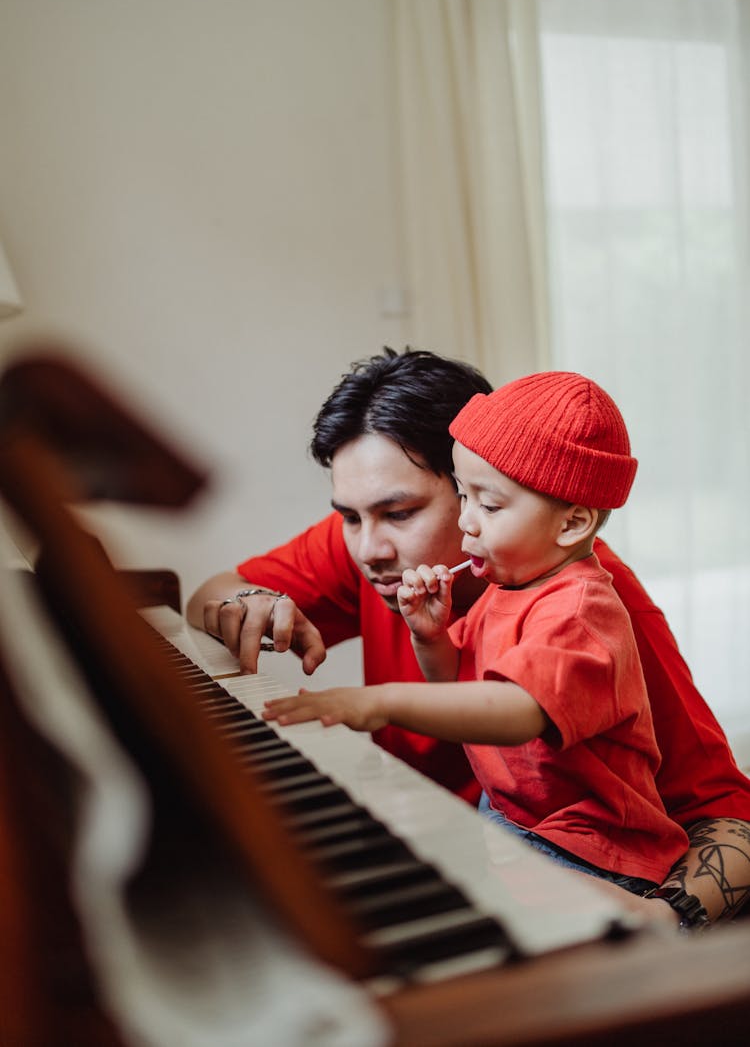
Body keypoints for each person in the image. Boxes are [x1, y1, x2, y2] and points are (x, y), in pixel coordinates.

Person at [187, 347, 750, 925]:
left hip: (556, 866)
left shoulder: (598, 607)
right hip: (454, 845)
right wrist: (249, 602)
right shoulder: (374, 550)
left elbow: (727, 811)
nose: (367, 551)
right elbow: (211, 593)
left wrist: (668, 917)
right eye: (350, 517)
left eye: (401, 513)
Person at [262, 371, 689, 894]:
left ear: (573, 524)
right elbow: (455, 687)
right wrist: (431, 638)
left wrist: (379, 702)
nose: (467, 522)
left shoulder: (580, 608)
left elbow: (516, 714)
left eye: (488, 505)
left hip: (586, 846)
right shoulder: (506, 585)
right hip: (514, 816)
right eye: (463, 497)